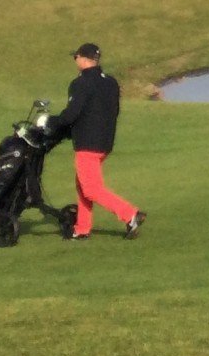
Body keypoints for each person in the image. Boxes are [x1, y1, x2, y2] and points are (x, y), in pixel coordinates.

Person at [51, 42, 145, 241]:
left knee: (91, 188)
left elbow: (70, 115)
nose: (75, 60)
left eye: (75, 57)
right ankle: (82, 228)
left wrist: (52, 122)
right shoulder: (110, 82)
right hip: (105, 142)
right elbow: (115, 111)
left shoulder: (80, 84)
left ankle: (130, 214)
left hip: (87, 143)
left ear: (84, 59)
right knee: (83, 184)